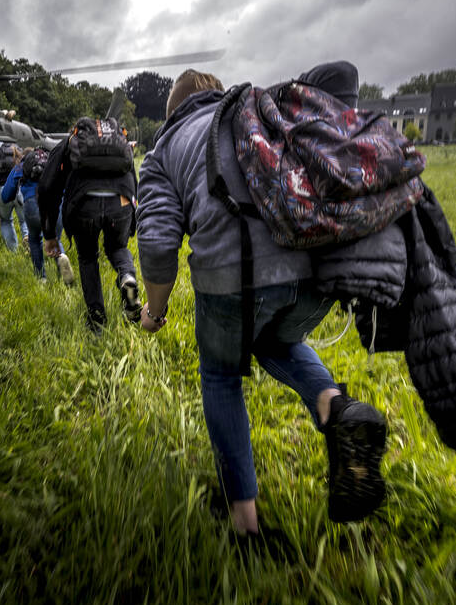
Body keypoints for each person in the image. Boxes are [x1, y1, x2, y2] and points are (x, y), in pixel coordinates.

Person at [135, 63, 388, 537]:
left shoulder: (166, 147)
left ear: (172, 112)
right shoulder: (257, 112)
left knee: (221, 373)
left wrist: (155, 312)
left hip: (233, 277)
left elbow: (155, 241)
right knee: (275, 342)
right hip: (316, 269)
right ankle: (337, 408)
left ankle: (244, 525)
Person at [39, 117, 142, 331]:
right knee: (118, 248)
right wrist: (134, 213)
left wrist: (49, 234)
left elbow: (48, 186)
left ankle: (97, 320)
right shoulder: (119, 144)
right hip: (121, 202)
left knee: (87, 258)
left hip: (84, 205)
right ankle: (128, 277)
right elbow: (132, 175)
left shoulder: (69, 142)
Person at [1, 147, 74, 283]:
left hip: (32, 206)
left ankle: (41, 277)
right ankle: (61, 260)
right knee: (55, 238)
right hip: (56, 206)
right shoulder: (55, 163)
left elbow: (6, 195)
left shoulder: (20, 166)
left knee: (34, 239)